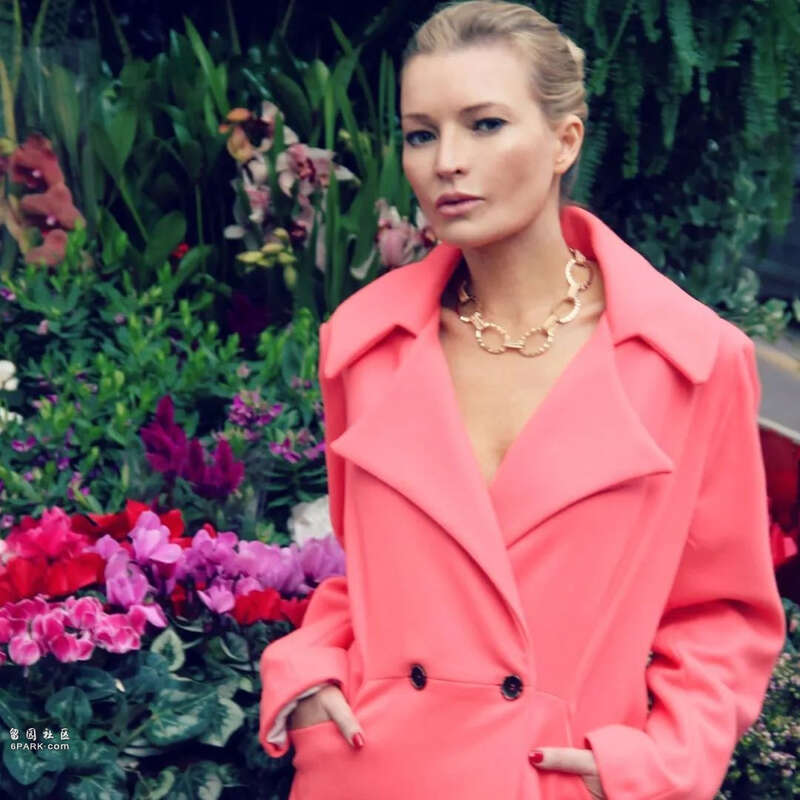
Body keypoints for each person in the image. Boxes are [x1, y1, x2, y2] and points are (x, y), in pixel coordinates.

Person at [258, 2, 787, 798]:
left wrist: (658, 766)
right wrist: (306, 669)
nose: (447, 162)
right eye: (422, 134)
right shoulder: (363, 344)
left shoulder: (693, 360)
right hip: (369, 765)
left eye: (485, 125)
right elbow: (367, 574)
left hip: (548, 778)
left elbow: (723, 615)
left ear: (564, 141)